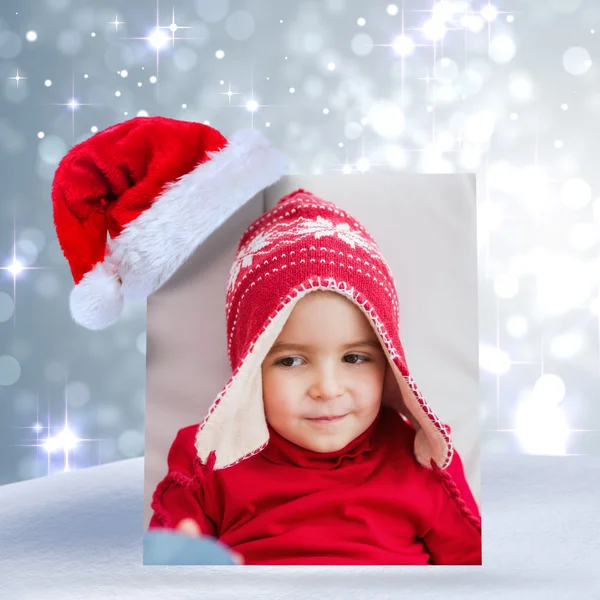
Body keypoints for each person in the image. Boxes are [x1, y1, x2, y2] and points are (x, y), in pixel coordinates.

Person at [148, 188, 482, 566]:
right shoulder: (210, 458)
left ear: (389, 364)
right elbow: (167, 563)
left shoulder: (423, 458)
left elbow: (473, 572)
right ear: (248, 369)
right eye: (291, 361)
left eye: (354, 357)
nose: (327, 388)